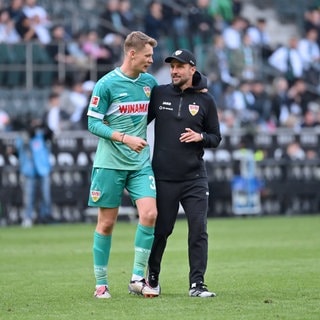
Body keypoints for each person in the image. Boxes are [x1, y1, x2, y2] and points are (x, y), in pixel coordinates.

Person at [86, 31, 159, 299]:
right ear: (132, 53)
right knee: (106, 224)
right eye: (148, 55)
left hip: (140, 163)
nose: (151, 60)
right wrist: (125, 138)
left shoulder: (149, 83)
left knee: (150, 214)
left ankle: (137, 278)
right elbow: (92, 123)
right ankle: (101, 284)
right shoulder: (106, 85)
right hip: (110, 163)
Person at [147, 49, 222, 297]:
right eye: (172, 67)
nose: (174, 71)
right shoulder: (159, 94)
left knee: (198, 229)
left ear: (192, 69)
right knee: (162, 231)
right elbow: (139, 122)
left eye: (179, 66)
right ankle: (153, 277)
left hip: (194, 178)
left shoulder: (206, 100)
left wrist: (200, 137)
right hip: (164, 177)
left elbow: (215, 138)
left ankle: (197, 284)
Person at [13, 118, 54, 227]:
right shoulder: (23, 137)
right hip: (29, 171)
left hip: (42, 169)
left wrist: (43, 124)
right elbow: (17, 151)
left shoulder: (40, 135)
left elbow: (50, 134)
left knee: (46, 196)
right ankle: (27, 218)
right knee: (28, 197)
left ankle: (45, 217)